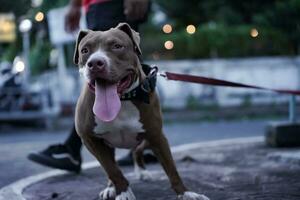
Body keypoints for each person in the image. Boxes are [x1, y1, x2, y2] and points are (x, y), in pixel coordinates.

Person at [28, 0, 156, 173]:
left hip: (107, 4)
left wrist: (74, 4)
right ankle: (145, 143)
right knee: (123, 67)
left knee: (109, 70)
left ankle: (72, 148)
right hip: (97, 6)